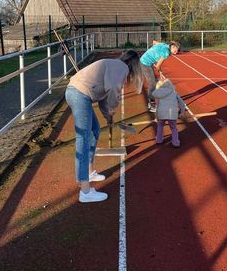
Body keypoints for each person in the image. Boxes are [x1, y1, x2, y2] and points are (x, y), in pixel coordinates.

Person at [65, 50, 143, 203]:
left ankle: (90, 172)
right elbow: (113, 89)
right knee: (84, 139)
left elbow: (102, 99)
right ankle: (85, 191)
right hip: (80, 94)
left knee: (94, 131)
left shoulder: (112, 65)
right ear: (133, 65)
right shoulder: (121, 67)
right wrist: (114, 106)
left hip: (77, 92)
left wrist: (108, 117)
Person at [140, 41, 180, 112]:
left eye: (177, 51)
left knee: (154, 81)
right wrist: (160, 70)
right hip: (145, 63)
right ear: (172, 46)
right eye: (175, 50)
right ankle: (151, 105)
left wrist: (153, 52)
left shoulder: (164, 44)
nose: (176, 53)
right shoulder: (166, 53)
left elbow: (154, 42)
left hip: (146, 61)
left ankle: (152, 101)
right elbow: (158, 66)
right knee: (152, 84)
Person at [151, 78, 185, 147]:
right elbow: (182, 103)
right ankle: (175, 142)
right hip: (172, 114)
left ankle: (159, 140)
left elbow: (157, 106)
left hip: (161, 113)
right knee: (173, 128)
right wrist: (182, 112)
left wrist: (156, 116)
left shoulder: (158, 94)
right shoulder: (174, 93)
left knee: (160, 126)